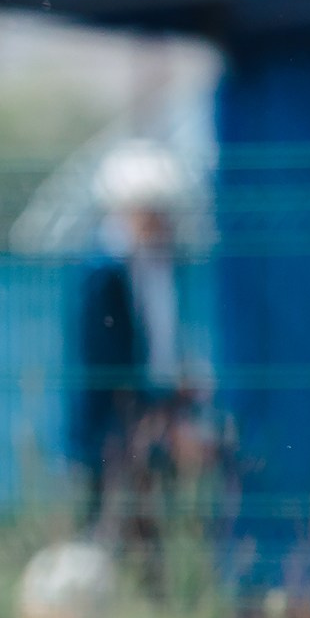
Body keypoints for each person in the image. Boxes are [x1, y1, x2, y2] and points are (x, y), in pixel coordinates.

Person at [71, 141, 204, 544]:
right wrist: (141, 403)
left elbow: (165, 335)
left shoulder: (162, 264)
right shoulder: (104, 271)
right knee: (113, 514)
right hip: (118, 415)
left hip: (158, 407)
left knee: (156, 513)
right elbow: (104, 355)